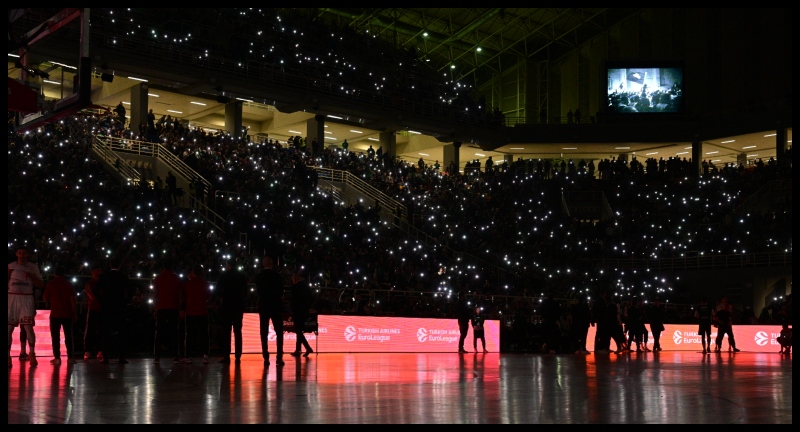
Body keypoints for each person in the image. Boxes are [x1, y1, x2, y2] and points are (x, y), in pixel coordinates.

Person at [8, 246, 44, 367]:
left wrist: (32, 276)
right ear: (16, 254)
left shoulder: (33, 267)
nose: (22, 255)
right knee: (9, 329)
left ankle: (32, 353)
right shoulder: (10, 266)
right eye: (20, 253)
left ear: (27, 255)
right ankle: (8, 356)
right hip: (12, 298)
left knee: (28, 327)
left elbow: (41, 284)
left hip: (27, 298)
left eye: (24, 253)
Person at [95, 257, 131, 364]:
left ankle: (105, 357)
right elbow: (130, 289)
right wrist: (126, 300)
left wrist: (102, 300)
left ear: (110, 265)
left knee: (106, 332)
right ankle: (121, 357)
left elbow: (96, 290)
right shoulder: (123, 276)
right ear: (119, 265)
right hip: (120, 306)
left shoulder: (104, 276)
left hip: (107, 306)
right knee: (121, 332)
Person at [254, 256, 285, 366]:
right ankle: (279, 357)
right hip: (276, 306)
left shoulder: (259, 277)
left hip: (263, 306)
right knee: (279, 332)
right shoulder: (277, 276)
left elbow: (258, 292)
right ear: (272, 264)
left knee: (264, 331)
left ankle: (266, 357)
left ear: (263, 264)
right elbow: (281, 292)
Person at [43, 265, 77, 365]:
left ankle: (57, 357)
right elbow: (73, 300)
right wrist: (74, 312)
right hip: (67, 314)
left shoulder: (51, 284)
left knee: (55, 337)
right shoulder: (68, 284)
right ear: (65, 274)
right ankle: (70, 357)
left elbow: (45, 298)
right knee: (69, 336)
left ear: (55, 273)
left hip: (55, 314)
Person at [217, 259, 247, 364]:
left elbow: (218, 291)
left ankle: (226, 356)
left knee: (226, 332)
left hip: (227, 306)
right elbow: (245, 292)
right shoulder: (241, 276)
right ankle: (238, 356)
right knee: (238, 332)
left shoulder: (223, 275)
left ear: (227, 265)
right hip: (238, 307)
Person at [153, 258, 182, 364]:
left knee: (159, 332)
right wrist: (180, 309)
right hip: (173, 307)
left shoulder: (158, 278)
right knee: (174, 332)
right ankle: (175, 356)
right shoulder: (177, 278)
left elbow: (155, 295)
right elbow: (179, 296)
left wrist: (155, 308)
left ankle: (157, 356)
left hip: (161, 307)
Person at [181, 264, 211, 364]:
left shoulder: (187, 284)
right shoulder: (205, 284)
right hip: (202, 311)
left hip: (190, 312)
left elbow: (183, 298)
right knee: (204, 335)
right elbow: (208, 296)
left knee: (190, 335)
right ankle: (205, 355)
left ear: (193, 272)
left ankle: (188, 356)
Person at [289, 269, 314, 358]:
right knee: (299, 330)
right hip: (304, 311)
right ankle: (298, 349)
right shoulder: (307, 287)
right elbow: (311, 298)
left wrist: (292, 310)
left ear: (295, 278)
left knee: (298, 330)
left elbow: (293, 300)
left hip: (297, 311)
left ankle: (307, 347)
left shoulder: (294, 287)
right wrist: (307, 308)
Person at [83, 264, 103, 360]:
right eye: (98, 270)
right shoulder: (89, 284)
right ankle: (88, 350)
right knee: (90, 330)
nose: (100, 272)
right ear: (93, 272)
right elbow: (91, 296)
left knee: (101, 330)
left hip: (101, 308)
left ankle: (100, 350)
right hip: (94, 308)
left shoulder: (103, 283)